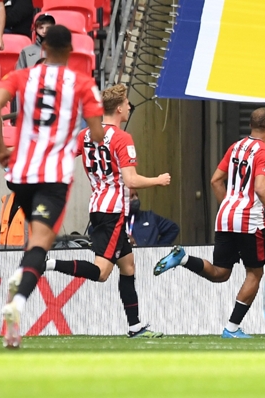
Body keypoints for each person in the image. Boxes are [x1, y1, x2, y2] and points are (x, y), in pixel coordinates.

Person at [0, 25, 106, 349]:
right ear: (69, 51)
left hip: (21, 173)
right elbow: (96, 134)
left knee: (33, 243)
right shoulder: (83, 83)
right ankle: (18, 303)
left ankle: (19, 284)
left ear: (42, 48)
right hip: (54, 175)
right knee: (41, 242)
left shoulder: (23, 76)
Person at [153, 107, 265, 338]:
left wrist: (229, 205)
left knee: (221, 272)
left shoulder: (235, 147)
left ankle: (183, 258)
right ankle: (232, 328)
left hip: (225, 217)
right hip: (249, 221)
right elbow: (260, 187)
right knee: (254, 273)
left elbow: (216, 180)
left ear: (250, 125)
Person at [45, 84, 171, 338]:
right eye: (126, 103)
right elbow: (131, 180)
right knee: (102, 273)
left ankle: (135, 326)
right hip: (112, 211)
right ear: (118, 108)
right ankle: (48, 263)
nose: (129, 107)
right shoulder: (123, 139)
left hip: (99, 207)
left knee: (128, 267)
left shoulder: (85, 135)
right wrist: (158, 180)